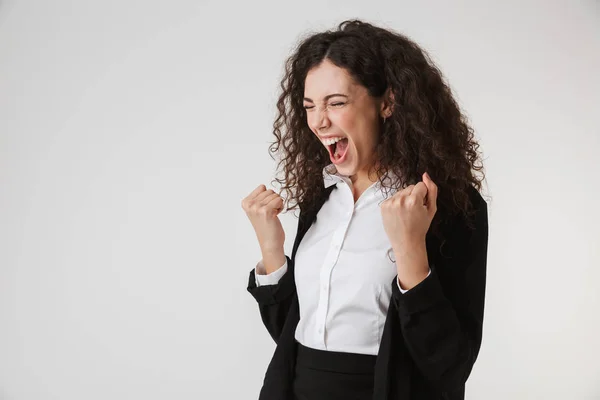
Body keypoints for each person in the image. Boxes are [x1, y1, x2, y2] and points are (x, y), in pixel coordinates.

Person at [241, 19, 489, 400]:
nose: (319, 121)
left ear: (387, 102)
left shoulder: (447, 206)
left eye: (336, 103)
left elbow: (450, 366)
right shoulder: (321, 200)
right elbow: (293, 333)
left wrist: (410, 252)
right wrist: (273, 253)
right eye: (310, 106)